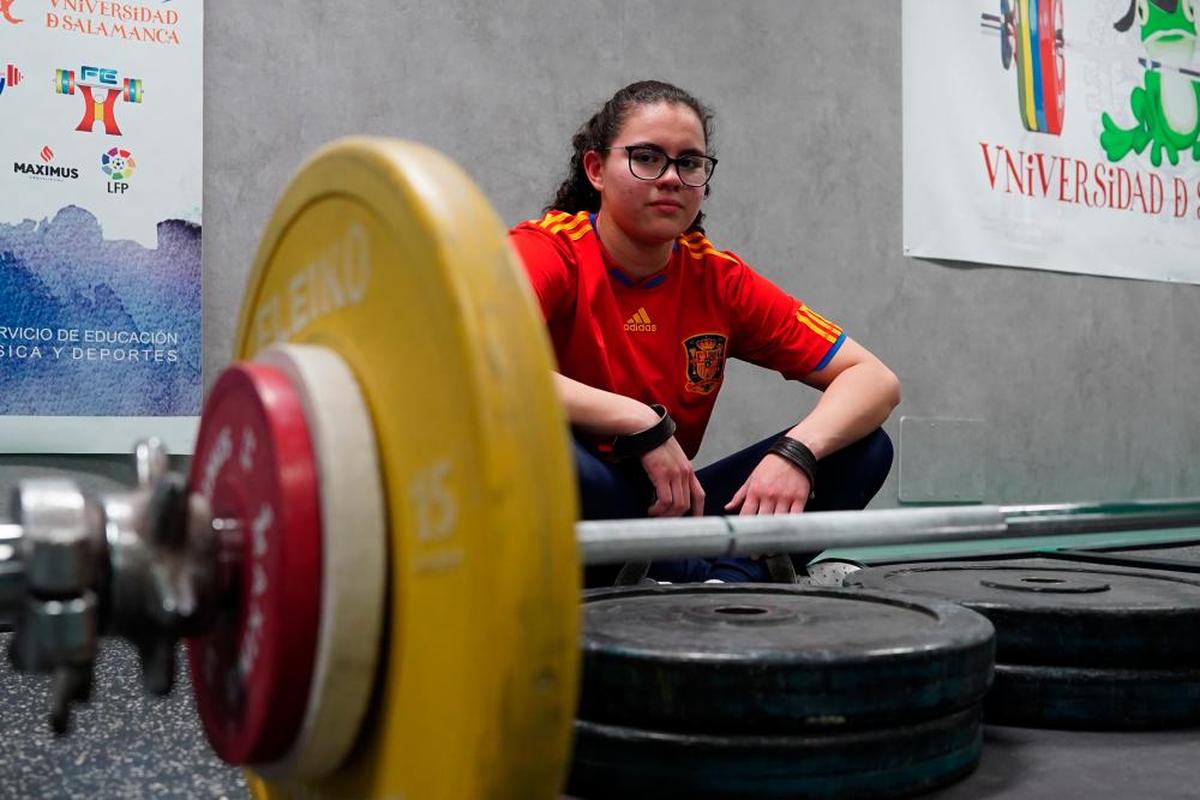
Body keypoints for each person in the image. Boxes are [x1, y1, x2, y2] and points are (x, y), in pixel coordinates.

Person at [509, 80, 900, 586]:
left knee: (863, 447)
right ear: (595, 169)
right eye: (646, 157)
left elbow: (874, 378)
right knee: (553, 455)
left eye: (689, 163)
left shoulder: (718, 278)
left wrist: (796, 453)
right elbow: (474, 359)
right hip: (576, 508)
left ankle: (722, 588)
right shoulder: (548, 249)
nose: (670, 177)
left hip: (670, 510)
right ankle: (689, 574)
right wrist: (637, 421)